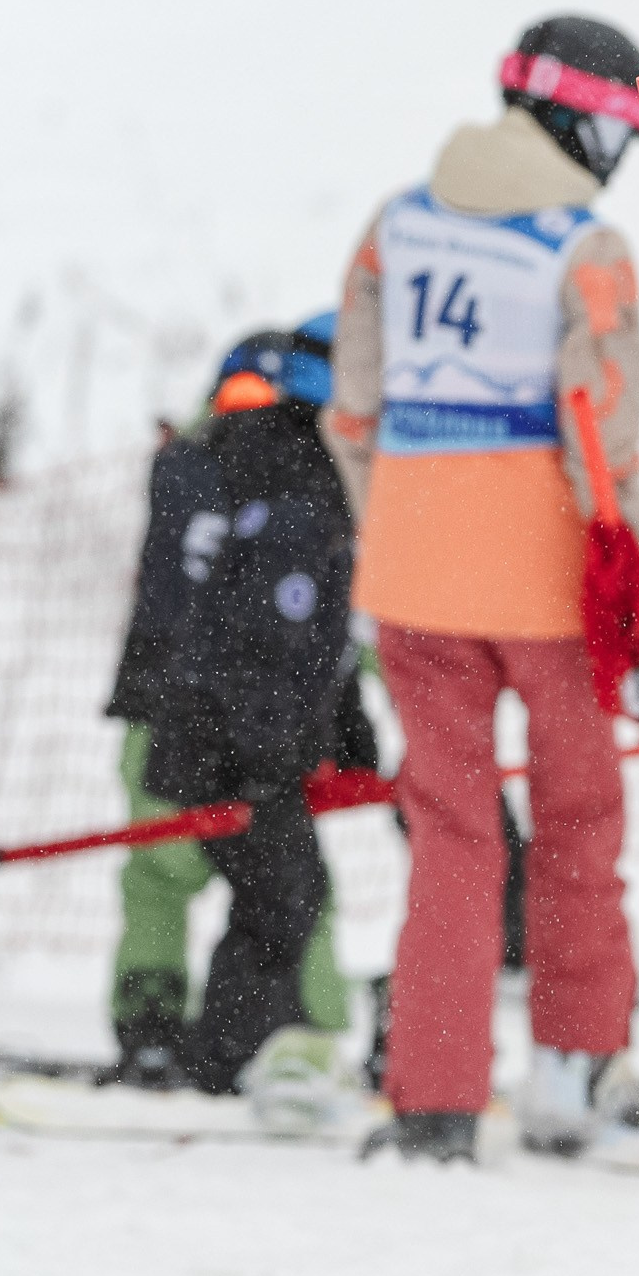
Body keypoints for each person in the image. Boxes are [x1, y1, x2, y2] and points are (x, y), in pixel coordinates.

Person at [326, 15, 639, 1162]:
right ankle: (573, 1066)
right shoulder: (585, 247)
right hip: (547, 581)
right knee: (577, 823)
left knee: (452, 835)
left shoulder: (397, 225)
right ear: (586, 122)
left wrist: (395, 530)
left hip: (416, 576)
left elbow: (355, 411)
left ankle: (435, 1099)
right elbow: (600, 445)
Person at [117, 319, 378, 1123]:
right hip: (247, 720)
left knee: (165, 877)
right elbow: (312, 619)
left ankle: (152, 1017)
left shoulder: (200, 458)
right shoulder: (313, 474)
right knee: (289, 885)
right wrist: (333, 722)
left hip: (167, 706)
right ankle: (300, 1031)